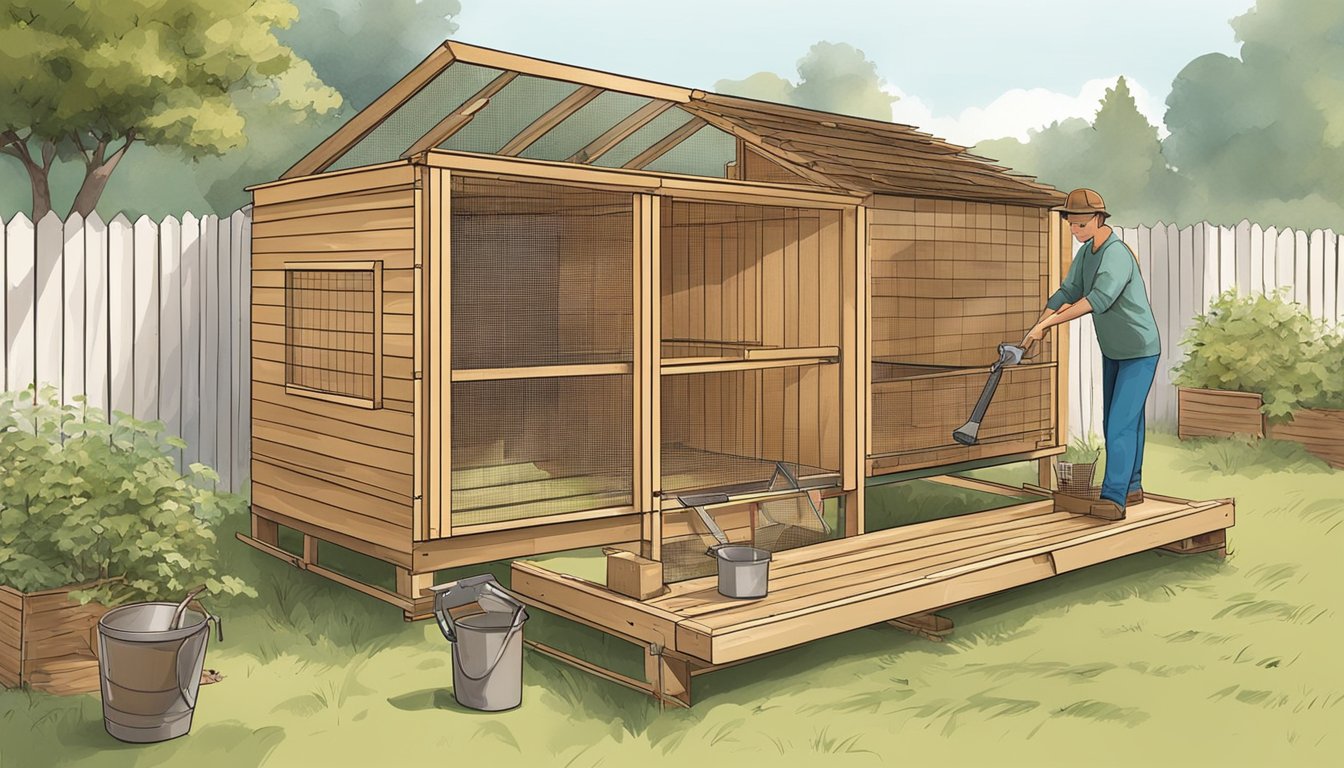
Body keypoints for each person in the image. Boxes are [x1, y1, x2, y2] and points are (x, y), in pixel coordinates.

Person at [1024, 188, 1160, 521]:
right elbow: (1069, 291)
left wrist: (1051, 325)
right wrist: (1036, 326)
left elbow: (1096, 300)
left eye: (1081, 225)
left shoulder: (1116, 255)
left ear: (1099, 219)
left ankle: (1114, 499)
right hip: (1113, 349)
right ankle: (1132, 487)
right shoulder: (1087, 253)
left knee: (1119, 426)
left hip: (1139, 350)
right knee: (1128, 422)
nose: (1075, 230)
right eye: (1072, 224)